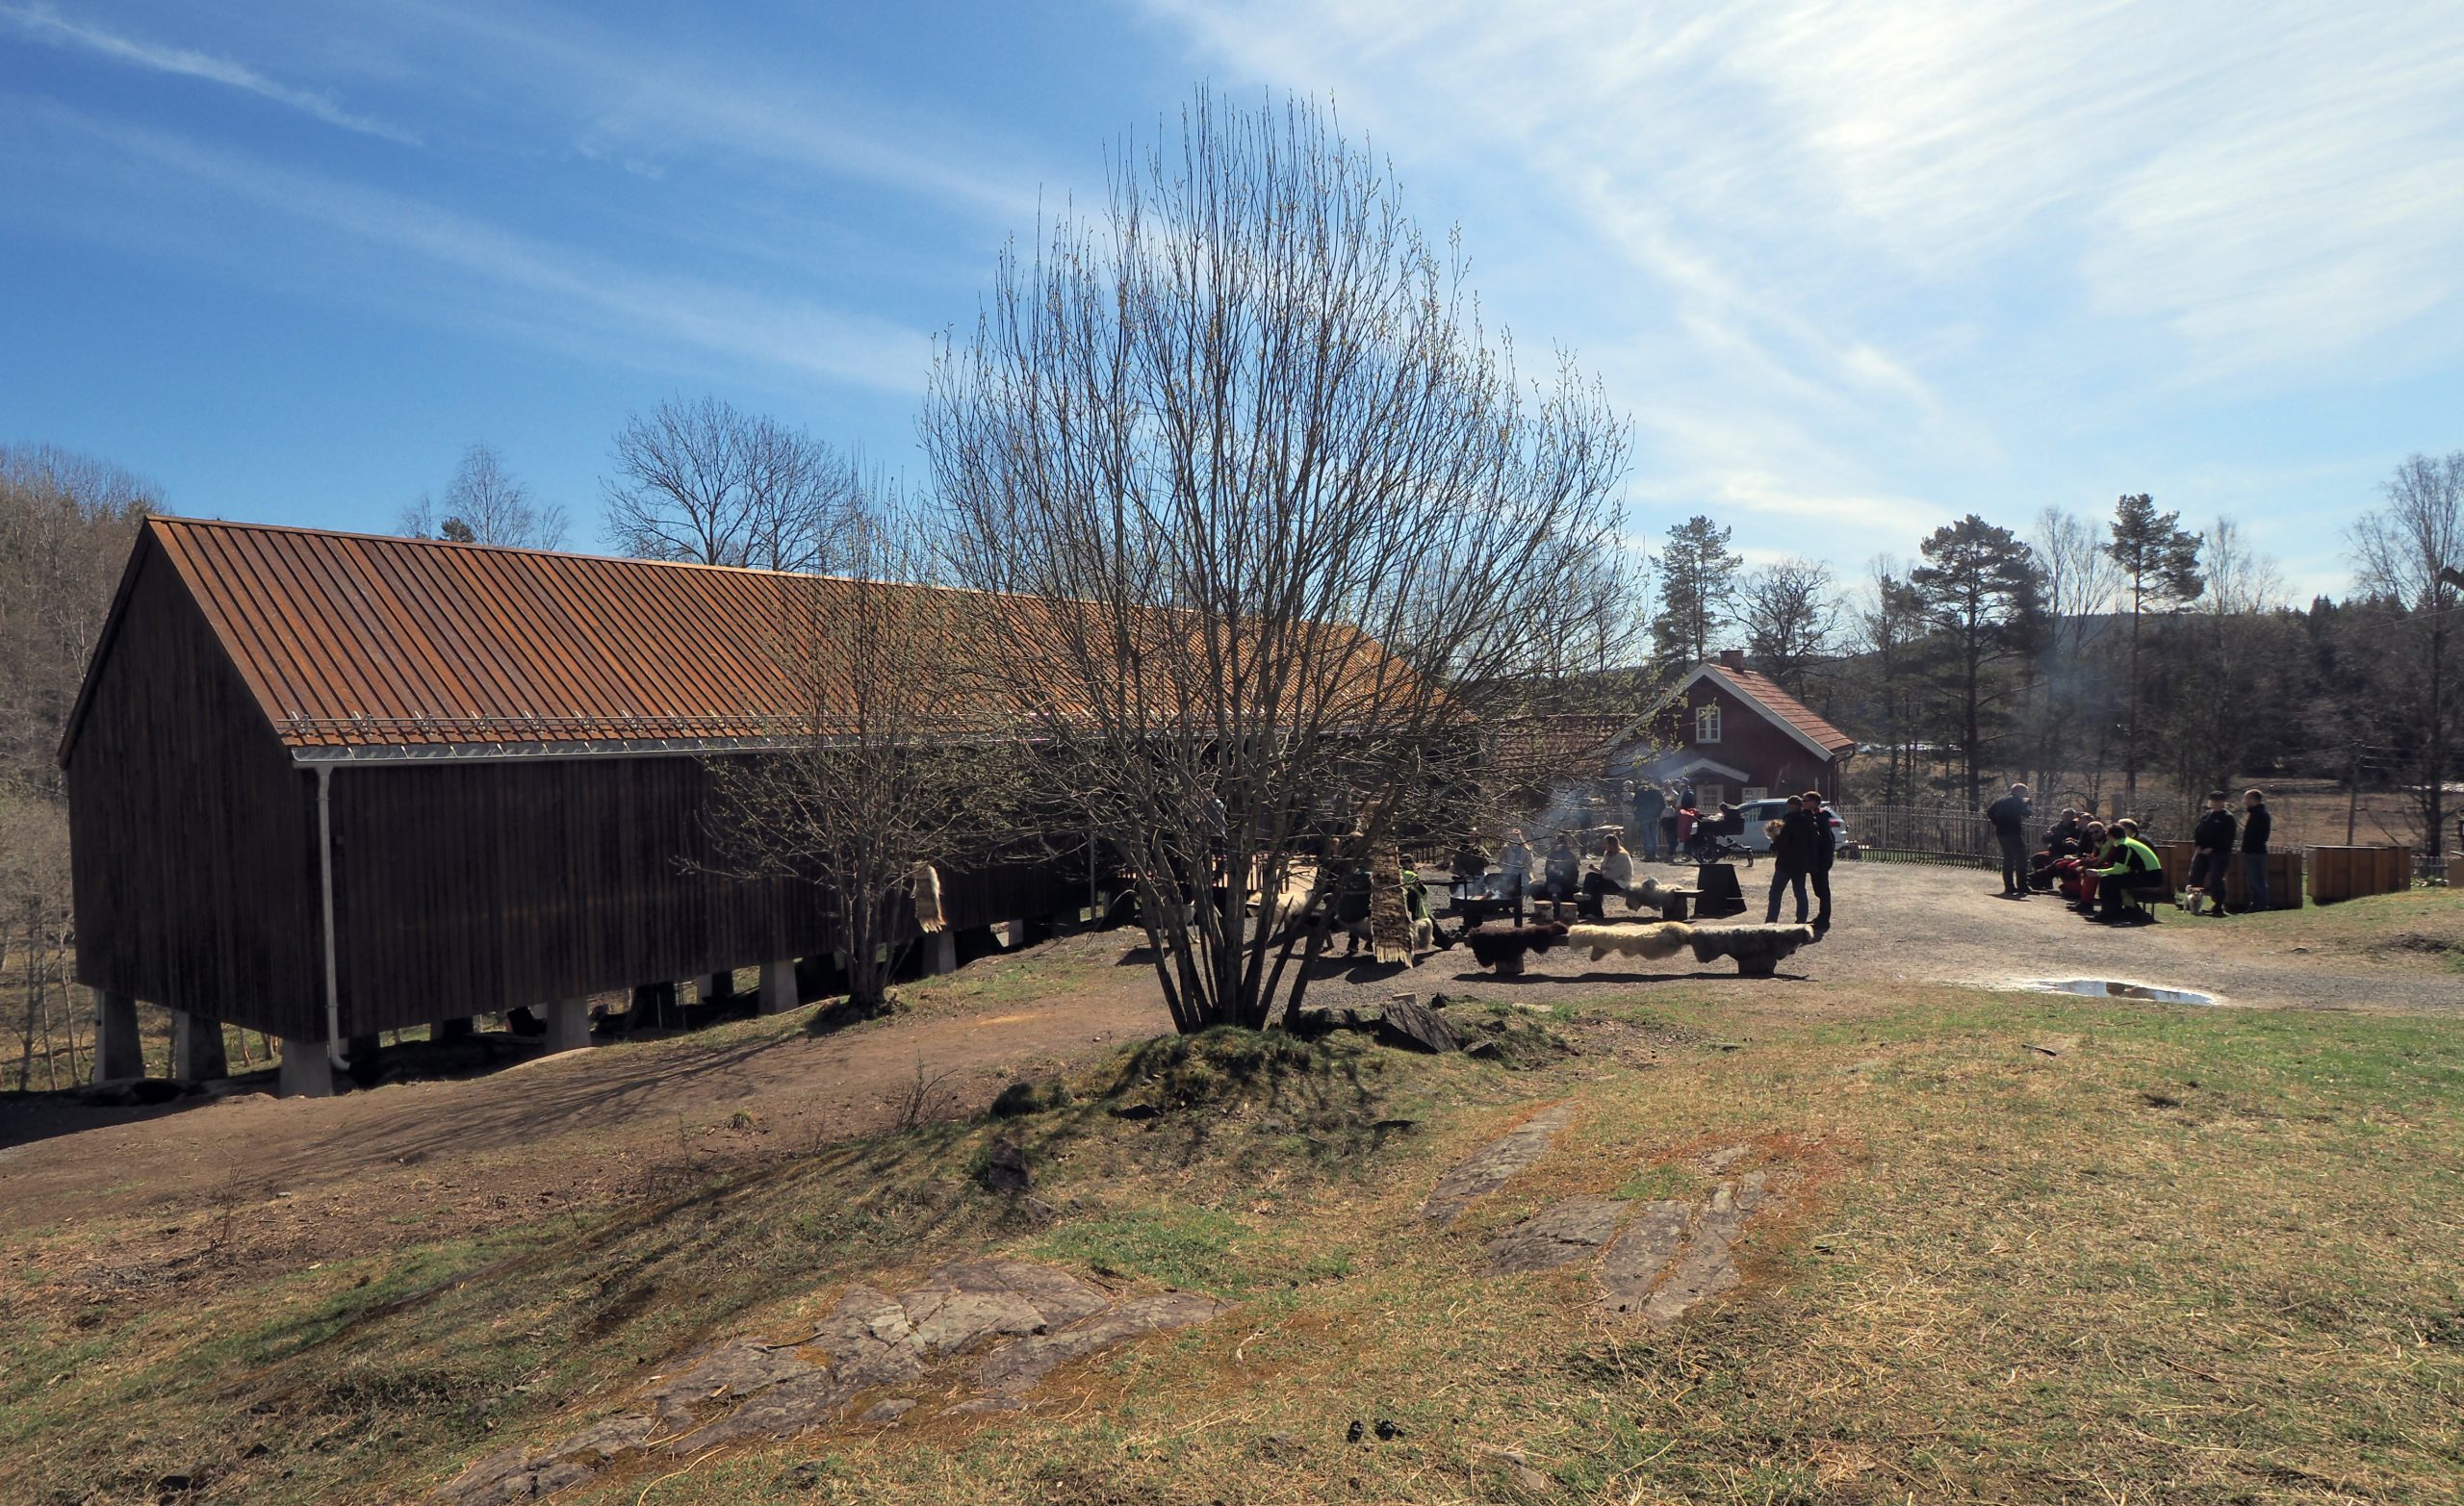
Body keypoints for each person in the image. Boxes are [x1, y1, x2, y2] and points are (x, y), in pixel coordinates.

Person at [2090, 818, 2167, 924]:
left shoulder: (2124, 845)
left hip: (2149, 877)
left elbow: (2118, 870)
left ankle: (2110, 913)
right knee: (2110, 879)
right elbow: (2123, 868)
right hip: (2148, 875)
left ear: (2111, 836)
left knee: (2107, 880)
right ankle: (2116, 912)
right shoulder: (2127, 842)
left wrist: (2097, 872)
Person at [1764, 794, 1818, 925]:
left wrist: (1774, 844)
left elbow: (1783, 842)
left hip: (1786, 862)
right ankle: (1801, 919)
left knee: (1776, 892)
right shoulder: (1809, 820)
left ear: (1792, 805)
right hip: (1801, 862)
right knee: (1800, 891)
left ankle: (1771, 920)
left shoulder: (1790, 821)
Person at [2186, 790, 2238, 915]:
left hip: (2219, 853)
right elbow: (2198, 830)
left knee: (2216, 878)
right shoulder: (2206, 815)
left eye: (2218, 800)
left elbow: (2227, 837)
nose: (2215, 803)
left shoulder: (2227, 818)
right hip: (2202, 851)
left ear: (2223, 802)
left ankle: (2218, 905)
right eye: (2213, 800)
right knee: (2195, 875)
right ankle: (2193, 903)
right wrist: (2198, 844)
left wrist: (2212, 847)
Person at [1985, 782, 2034, 898]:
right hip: (2013, 832)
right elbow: (2027, 813)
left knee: (2008, 859)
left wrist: (1997, 822)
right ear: (2019, 791)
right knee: (2021, 859)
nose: (2025, 794)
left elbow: (1990, 811)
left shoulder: (2001, 799)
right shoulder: (2017, 800)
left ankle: (2009, 886)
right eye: (2025, 792)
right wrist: (2028, 804)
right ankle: (2022, 886)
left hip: (2001, 832)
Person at [1805, 789, 1836, 933]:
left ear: (1813, 802)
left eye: (1805, 801)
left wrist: (1825, 858)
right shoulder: (1812, 816)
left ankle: (1824, 919)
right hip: (1815, 859)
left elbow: (1827, 840)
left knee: (1823, 890)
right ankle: (1821, 916)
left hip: (1821, 859)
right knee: (1818, 889)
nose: (1803, 803)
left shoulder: (1821, 817)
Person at [2240, 788, 2272, 913]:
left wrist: (2250, 846)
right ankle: (2257, 904)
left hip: (2256, 852)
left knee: (2257, 879)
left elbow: (2260, 836)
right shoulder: (2256, 813)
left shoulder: (2260, 814)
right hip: (2252, 851)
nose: (2244, 801)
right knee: (2254, 879)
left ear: (2253, 799)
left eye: (2246, 798)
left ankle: (2261, 904)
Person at [1496, 828, 1533, 916]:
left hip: (1522, 873)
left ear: (1520, 838)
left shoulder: (1526, 849)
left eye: (1516, 838)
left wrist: (1525, 869)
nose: (1514, 840)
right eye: (1512, 838)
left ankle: (1518, 906)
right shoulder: (1505, 849)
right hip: (1508, 872)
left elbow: (1531, 864)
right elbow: (1500, 863)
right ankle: (1506, 907)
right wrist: (1507, 863)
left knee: (1524, 887)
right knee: (1505, 887)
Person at [1541, 832, 1582, 903]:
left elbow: (1574, 870)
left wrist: (1563, 873)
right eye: (1559, 841)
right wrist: (1554, 870)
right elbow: (1549, 869)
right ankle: (1554, 896)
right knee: (1553, 877)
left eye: (1562, 841)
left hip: (1568, 879)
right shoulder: (1552, 854)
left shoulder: (1570, 854)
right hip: (1554, 879)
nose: (1560, 844)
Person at [1631, 779, 1667, 861]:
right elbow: (1663, 805)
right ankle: (1654, 854)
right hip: (1654, 817)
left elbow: (1634, 805)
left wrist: (1637, 814)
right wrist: (1657, 813)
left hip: (1644, 817)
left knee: (1646, 836)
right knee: (1654, 836)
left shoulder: (1640, 793)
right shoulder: (1657, 793)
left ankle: (1648, 855)